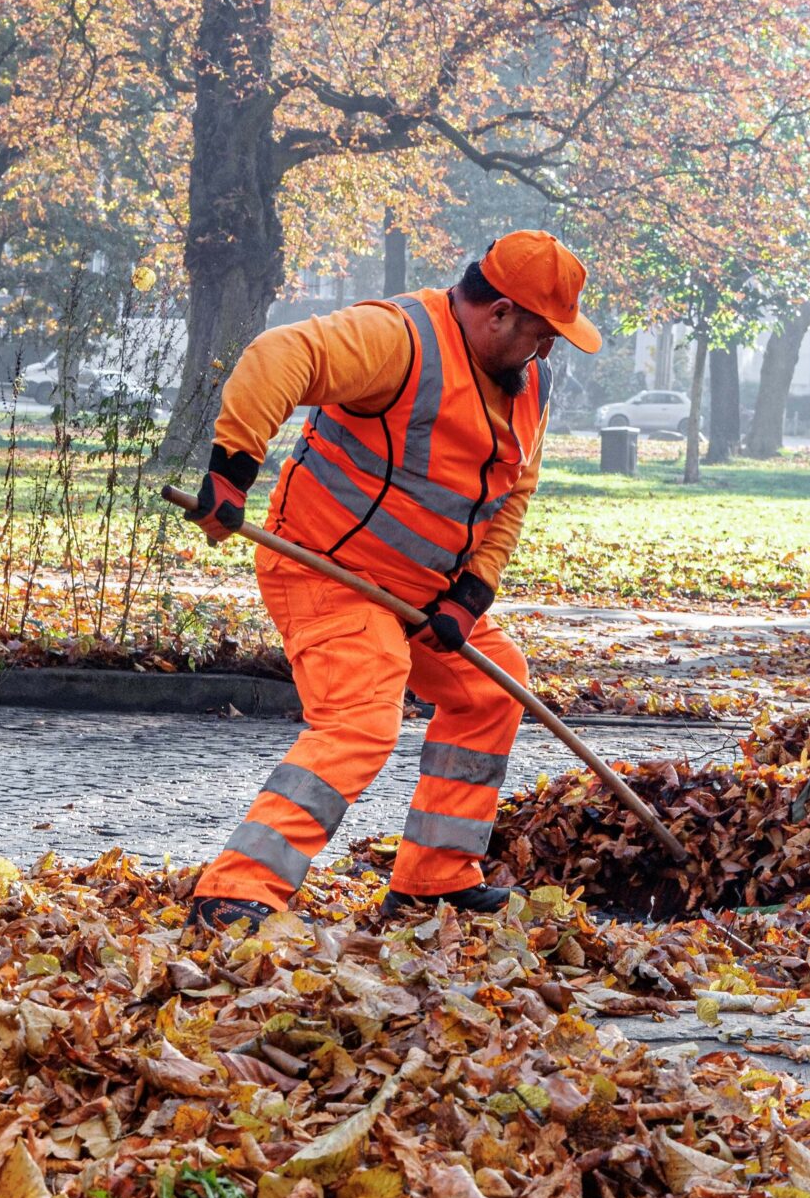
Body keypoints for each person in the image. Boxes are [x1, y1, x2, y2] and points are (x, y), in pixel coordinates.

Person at [182, 231, 600, 933]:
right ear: (498, 313)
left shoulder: (531, 386)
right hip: (327, 568)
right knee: (361, 717)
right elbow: (280, 355)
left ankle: (432, 883)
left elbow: (514, 490)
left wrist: (470, 596)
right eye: (540, 332)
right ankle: (236, 893)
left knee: (493, 683)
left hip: (422, 587)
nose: (547, 350)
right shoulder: (400, 338)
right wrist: (232, 469)